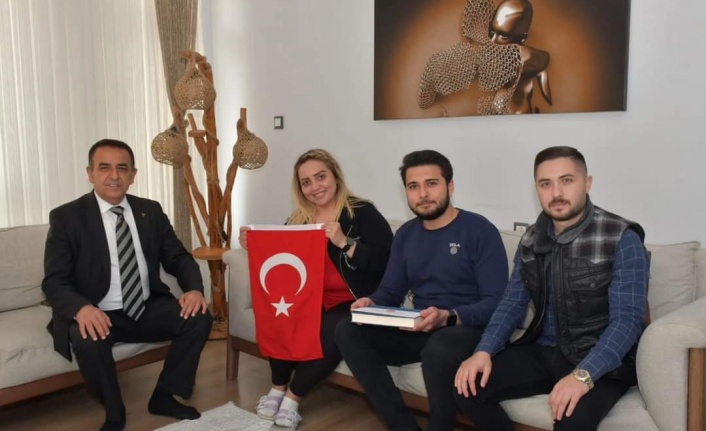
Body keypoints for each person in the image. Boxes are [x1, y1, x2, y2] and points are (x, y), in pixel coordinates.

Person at [452, 146, 649, 431]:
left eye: (567, 180)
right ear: (537, 189)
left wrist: (583, 376)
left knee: (571, 419)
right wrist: (483, 351)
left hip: (602, 360)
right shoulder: (531, 239)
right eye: (546, 184)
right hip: (544, 351)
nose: (556, 193)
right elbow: (511, 304)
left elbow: (627, 321)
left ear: (587, 183)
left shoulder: (621, 237)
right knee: (466, 387)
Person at [42, 139, 213, 431]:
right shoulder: (67, 217)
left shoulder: (150, 211)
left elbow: (178, 258)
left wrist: (195, 290)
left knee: (199, 317)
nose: (114, 176)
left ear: (133, 175)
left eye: (122, 168)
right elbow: (55, 280)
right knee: (87, 338)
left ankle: (164, 396)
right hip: (96, 310)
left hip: (145, 306)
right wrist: (81, 309)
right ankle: (114, 412)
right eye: (104, 168)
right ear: (90, 174)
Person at [334, 149, 509, 431]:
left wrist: (448, 316)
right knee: (348, 329)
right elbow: (391, 290)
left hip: (467, 327)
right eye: (413, 186)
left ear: (450, 186)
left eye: (432, 184)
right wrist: (372, 302)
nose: (423, 194)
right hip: (421, 325)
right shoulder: (406, 234)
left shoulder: (479, 230)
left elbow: (497, 303)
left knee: (438, 349)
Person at [238, 148, 393, 430]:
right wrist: (253, 243)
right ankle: (277, 387)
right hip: (310, 298)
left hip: (355, 300)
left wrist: (346, 242)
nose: (315, 187)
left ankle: (293, 398)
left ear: (335, 176)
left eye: (321, 177)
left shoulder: (362, 212)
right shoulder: (298, 220)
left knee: (335, 329)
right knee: (282, 314)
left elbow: (387, 261)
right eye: (306, 182)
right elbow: (281, 257)